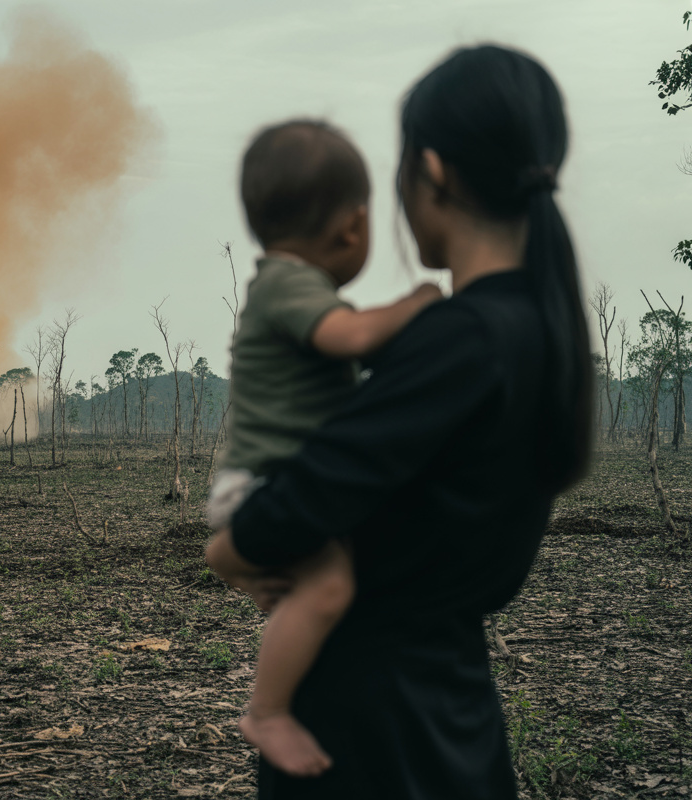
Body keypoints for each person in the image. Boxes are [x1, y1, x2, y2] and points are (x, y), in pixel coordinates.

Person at [205, 44, 591, 800]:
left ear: (434, 171)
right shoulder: (536, 332)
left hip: (368, 728)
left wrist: (231, 549)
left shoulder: (460, 339)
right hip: (451, 707)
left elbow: (309, 495)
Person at [208, 119, 442, 777]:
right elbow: (352, 337)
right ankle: (267, 710)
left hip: (268, 482)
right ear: (352, 227)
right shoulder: (290, 286)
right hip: (264, 485)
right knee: (330, 586)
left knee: (310, 582)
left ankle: (244, 570)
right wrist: (420, 301)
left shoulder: (279, 283)